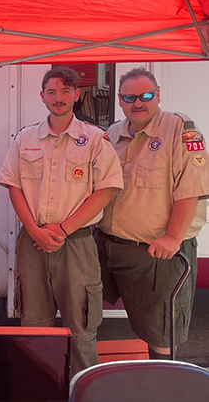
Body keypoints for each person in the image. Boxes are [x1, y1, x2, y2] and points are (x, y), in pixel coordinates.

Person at [0, 66, 123, 376]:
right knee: (34, 327)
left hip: (77, 242)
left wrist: (62, 229)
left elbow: (105, 191)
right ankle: (37, 389)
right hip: (33, 242)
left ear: (77, 96)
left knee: (80, 329)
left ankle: (84, 391)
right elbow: (13, 185)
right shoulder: (26, 137)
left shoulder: (94, 139)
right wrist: (32, 229)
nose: (58, 98)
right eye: (52, 92)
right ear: (42, 96)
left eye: (65, 91)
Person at [97, 67, 209, 359]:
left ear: (158, 95)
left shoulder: (178, 127)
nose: (138, 103)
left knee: (162, 332)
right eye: (129, 97)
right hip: (112, 248)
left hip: (159, 254)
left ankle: (164, 387)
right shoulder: (112, 133)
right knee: (89, 315)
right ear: (120, 100)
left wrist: (173, 237)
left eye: (146, 95)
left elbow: (191, 188)